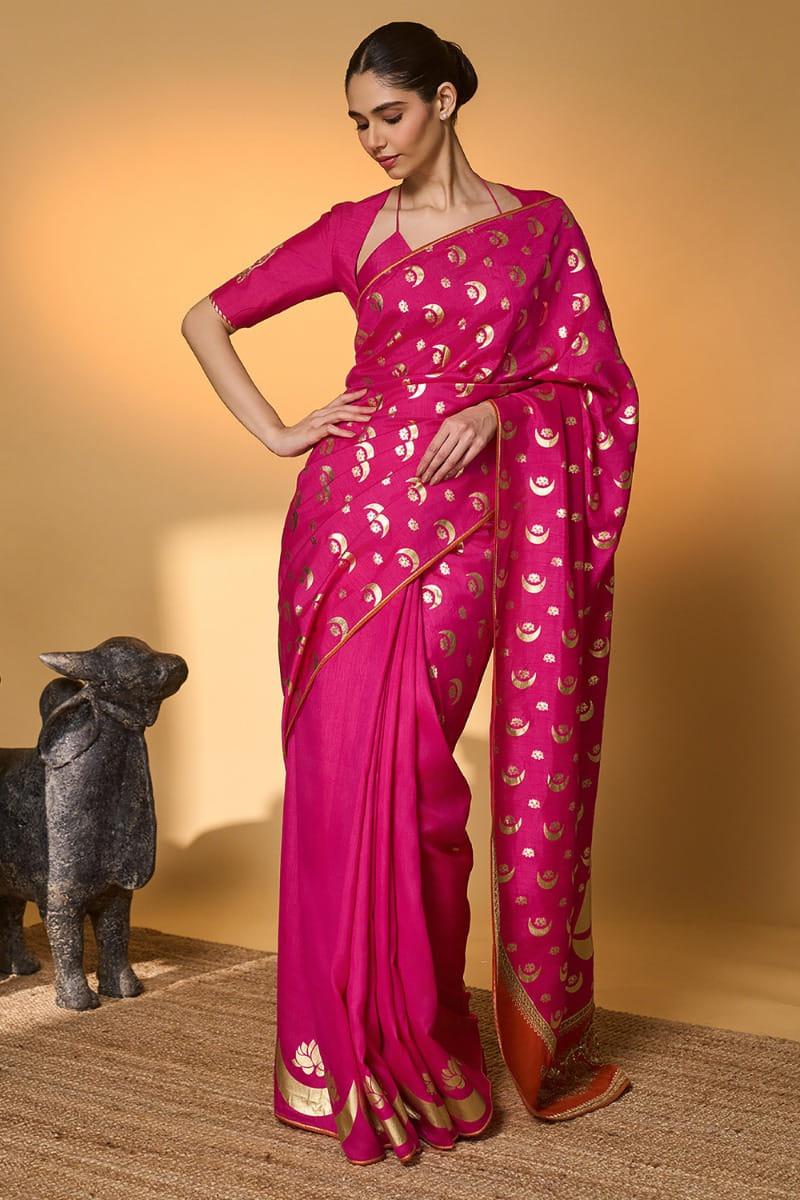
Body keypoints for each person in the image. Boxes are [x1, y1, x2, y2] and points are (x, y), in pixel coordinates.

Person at [182, 20, 638, 1167]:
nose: (372, 140)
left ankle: (423, 1042)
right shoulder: (353, 231)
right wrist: (280, 431)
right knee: (341, 786)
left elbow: (593, 385)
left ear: (441, 100)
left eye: (386, 115)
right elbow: (206, 316)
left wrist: (503, 410)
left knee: (422, 792)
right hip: (341, 529)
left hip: (464, 531)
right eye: (356, 123)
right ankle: (335, 1055)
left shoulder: (540, 227)